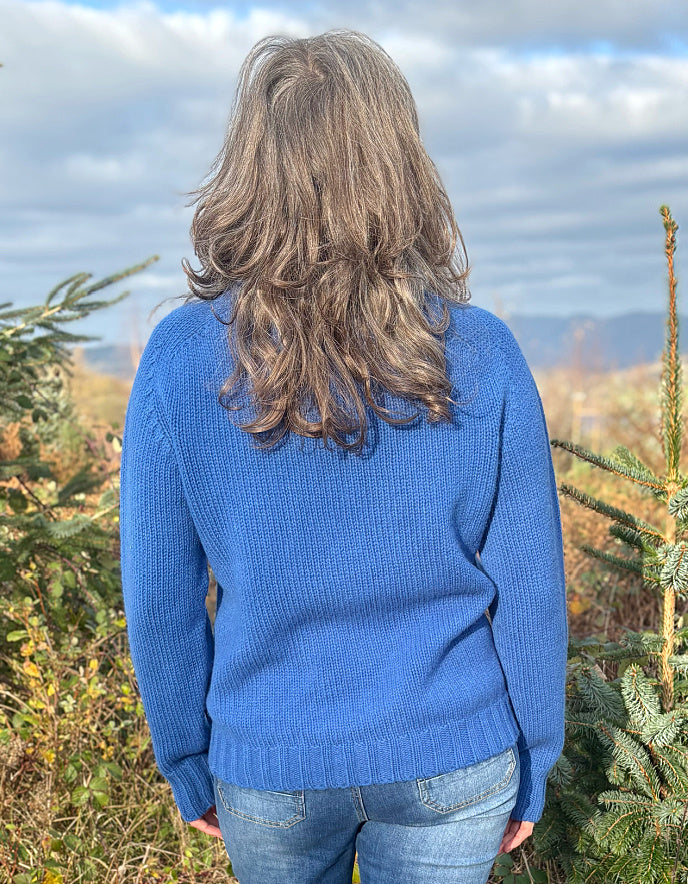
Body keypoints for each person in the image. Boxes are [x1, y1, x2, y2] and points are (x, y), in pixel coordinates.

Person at [119, 28, 568, 884]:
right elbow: (532, 586)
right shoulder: (480, 352)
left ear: (249, 164)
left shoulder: (179, 359)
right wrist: (533, 757)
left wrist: (186, 755)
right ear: (400, 163)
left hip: (268, 760)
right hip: (454, 755)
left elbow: (159, 594)